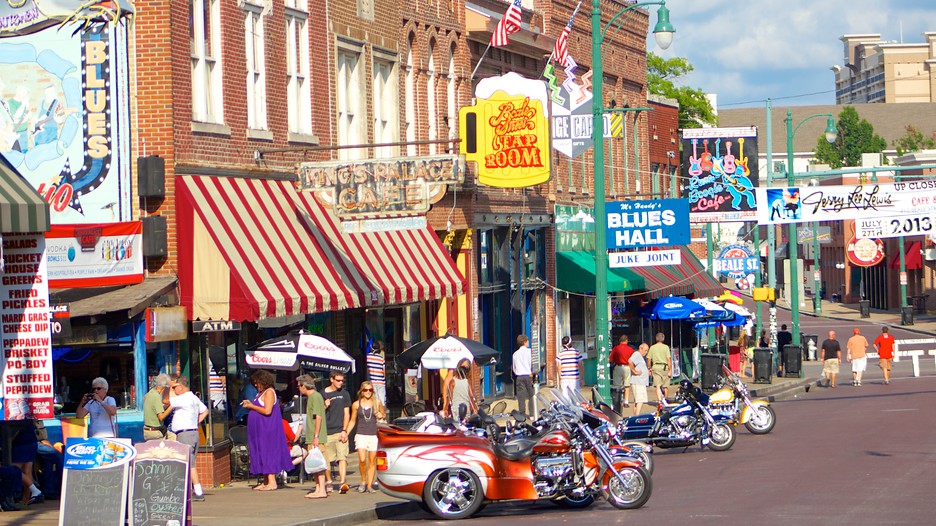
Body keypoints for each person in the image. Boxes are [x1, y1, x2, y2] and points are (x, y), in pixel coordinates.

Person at [240, 370, 293, 492]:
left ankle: (272, 482)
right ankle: (265, 481)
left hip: (267, 429)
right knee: (260, 452)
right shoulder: (261, 393)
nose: (256, 386)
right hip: (259, 430)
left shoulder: (269, 392)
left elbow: (267, 410)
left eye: (257, 383)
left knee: (267, 452)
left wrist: (251, 406)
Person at [168, 376, 209, 501]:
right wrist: (195, 422)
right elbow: (205, 411)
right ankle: (186, 489)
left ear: (180, 387)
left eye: (175, 387)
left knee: (190, 463)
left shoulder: (183, 398)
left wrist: (169, 386)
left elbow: (167, 401)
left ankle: (198, 491)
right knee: (187, 462)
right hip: (193, 433)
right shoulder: (193, 398)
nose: (174, 390)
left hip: (185, 434)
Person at [345, 381, 385, 493]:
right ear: (361, 391)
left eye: (370, 390)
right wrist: (346, 433)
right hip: (361, 433)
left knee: (372, 460)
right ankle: (363, 481)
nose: (368, 392)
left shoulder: (376, 402)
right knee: (362, 460)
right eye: (365, 390)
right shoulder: (356, 404)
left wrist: (381, 415)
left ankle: (369, 485)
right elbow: (352, 421)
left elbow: (383, 414)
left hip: (373, 434)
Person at [297, 374, 328, 499]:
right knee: (314, 463)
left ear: (304, 386)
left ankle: (322, 489)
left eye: (299, 386)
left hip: (317, 437)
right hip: (311, 436)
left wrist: (316, 436)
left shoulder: (315, 397)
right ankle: (318, 488)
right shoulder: (311, 398)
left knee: (318, 463)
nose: (299, 389)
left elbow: (318, 417)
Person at [322, 371, 351, 494]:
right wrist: (324, 406)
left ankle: (342, 482)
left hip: (340, 431)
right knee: (327, 460)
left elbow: (347, 414)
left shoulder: (344, 394)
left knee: (342, 457)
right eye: (338, 380)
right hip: (327, 431)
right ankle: (329, 482)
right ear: (331, 380)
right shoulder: (322, 394)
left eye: (342, 380)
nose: (340, 383)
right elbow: (317, 415)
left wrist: (345, 430)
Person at [10, 418, 43, 506]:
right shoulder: (27, 412)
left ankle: (34, 491)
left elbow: (15, 430)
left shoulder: (14, 414)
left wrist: (8, 442)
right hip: (31, 440)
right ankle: (27, 498)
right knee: (27, 471)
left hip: (20, 443)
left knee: (14, 469)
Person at [142, 373, 175, 441]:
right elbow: (161, 417)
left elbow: (154, 409)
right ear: (165, 387)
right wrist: (172, 406)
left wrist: (165, 406)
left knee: (173, 437)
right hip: (155, 432)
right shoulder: (156, 397)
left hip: (147, 430)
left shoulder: (149, 394)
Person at [610, 335, 634, 411]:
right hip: (627, 367)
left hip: (618, 367)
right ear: (626, 340)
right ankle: (626, 401)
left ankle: (617, 400)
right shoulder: (630, 349)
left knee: (617, 385)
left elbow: (611, 359)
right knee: (627, 385)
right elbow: (632, 360)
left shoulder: (615, 348)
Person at [512, 334, 534, 416]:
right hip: (528, 375)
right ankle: (532, 413)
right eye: (527, 341)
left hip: (519, 376)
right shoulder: (529, 351)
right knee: (531, 395)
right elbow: (532, 364)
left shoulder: (515, 354)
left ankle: (522, 413)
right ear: (525, 342)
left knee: (521, 396)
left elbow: (514, 368)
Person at [647, 333, 672, 402]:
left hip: (656, 367)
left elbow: (649, 359)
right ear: (663, 339)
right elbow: (668, 359)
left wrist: (649, 368)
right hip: (665, 367)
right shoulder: (666, 347)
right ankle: (665, 400)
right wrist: (670, 369)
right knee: (666, 386)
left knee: (657, 385)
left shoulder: (652, 347)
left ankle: (660, 401)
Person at [628, 343, 651, 416]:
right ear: (640, 348)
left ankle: (635, 415)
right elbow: (630, 361)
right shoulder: (637, 354)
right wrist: (634, 371)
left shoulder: (640, 356)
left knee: (637, 401)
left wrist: (647, 372)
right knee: (640, 400)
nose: (646, 352)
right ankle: (637, 416)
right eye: (645, 350)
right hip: (639, 382)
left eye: (647, 351)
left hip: (640, 382)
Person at [366, 341, 387, 406]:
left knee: (373, 400)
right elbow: (384, 371)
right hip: (381, 382)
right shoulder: (381, 358)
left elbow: (367, 370)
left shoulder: (367, 357)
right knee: (381, 401)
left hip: (372, 382)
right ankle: (382, 414)